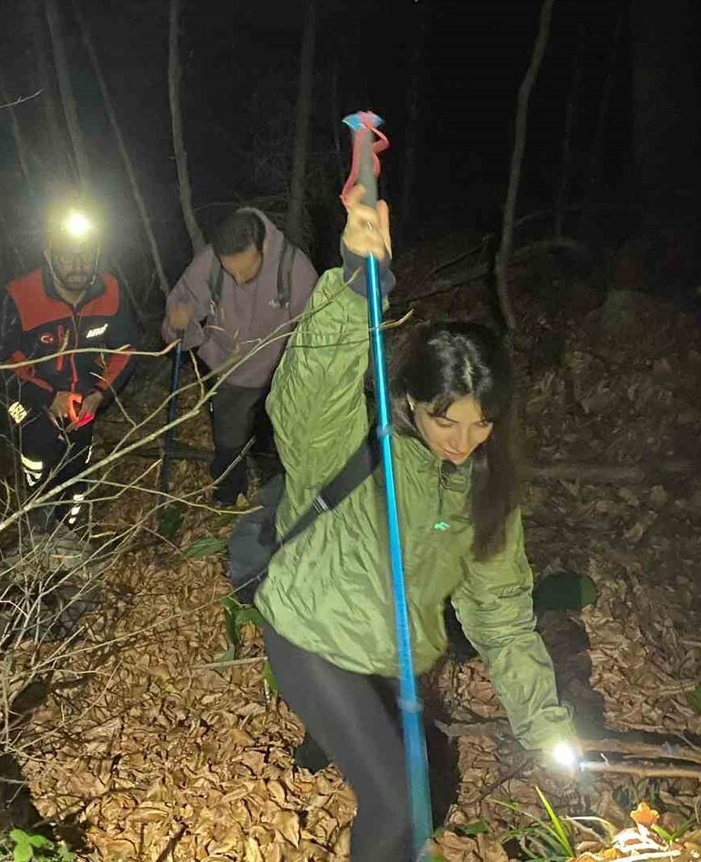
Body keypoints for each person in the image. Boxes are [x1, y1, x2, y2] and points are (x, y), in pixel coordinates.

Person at [255, 187, 577, 860]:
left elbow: (501, 615)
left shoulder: (483, 489)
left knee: (415, 790)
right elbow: (305, 389)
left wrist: (546, 726)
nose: (464, 440)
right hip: (312, 634)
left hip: (390, 659)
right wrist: (353, 283)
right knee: (401, 806)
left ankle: (328, 751)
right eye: (445, 420)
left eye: (481, 424)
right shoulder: (350, 446)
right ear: (411, 401)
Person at [161, 207, 317, 504]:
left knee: (277, 443)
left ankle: (279, 503)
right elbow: (178, 317)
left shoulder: (294, 269)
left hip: (278, 372)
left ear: (264, 247)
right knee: (228, 443)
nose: (237, 277)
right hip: (227, 368)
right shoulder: (209, 262)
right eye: (230, 270)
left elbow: (315, 331)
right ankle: (229, 498)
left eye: (245, 269)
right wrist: (180, 322)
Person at [2, 204, 137, 532]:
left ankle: (72, 532)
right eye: (67, 255)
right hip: (29, 396)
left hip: (84, 400)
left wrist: (100, 394)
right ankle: (37, 519)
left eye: (85, 255)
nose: (78, 265)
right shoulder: (21, 294)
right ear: (49, 255)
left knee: (77, 469)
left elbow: (128, 348)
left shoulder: (109, 291)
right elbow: (3, 361)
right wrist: (48, 397)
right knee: (36, 456)